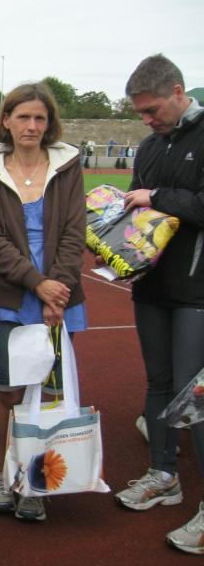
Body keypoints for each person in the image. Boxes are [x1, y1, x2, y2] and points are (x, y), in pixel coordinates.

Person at [0, 82, 86, 522]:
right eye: (23, 117)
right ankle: (1, 474)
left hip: (62, 295)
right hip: (13, 295)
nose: (32, 126)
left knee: (50, 394)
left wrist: (57, 290)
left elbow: (75, 233)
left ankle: (36, 480)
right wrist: (38, 285)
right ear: (6, 120)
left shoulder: (67, 166)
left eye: (40, 118)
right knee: (9, 392)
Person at [114, 54, 204, 556]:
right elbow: (135, 206)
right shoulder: (148, 146)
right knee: (159, 383)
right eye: (141, 113)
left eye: (152, 110)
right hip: (150, 285)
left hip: (197, 289)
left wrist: (157, 196)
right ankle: (164, 475)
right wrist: (113, 241)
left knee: (195, 396)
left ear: (178, 91)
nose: (147, 120)